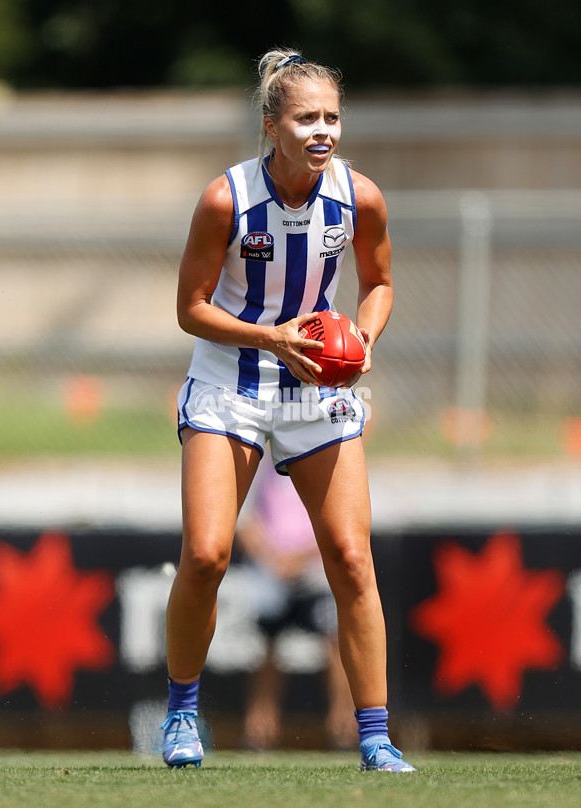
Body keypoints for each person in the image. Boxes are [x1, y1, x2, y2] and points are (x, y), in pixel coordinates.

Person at [161, 47, 415, 773]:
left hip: (317, 390)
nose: (323, 129)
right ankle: (182, 715)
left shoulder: (359, 195)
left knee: (351, 561)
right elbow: (190, 310)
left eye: (332, 116)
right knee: (208, 555)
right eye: (307, 117)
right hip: (230, 381)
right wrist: (271, 336)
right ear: (272, 125)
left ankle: (374, 736)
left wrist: (362, 339)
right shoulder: (225, 199)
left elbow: (381, 283)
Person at [237, 456, 357, 751]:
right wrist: (273, 560)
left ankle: (343, 726)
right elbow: (246, 524)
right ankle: (260, 727)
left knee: (335, 643)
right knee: (266, 648)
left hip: (314, 572)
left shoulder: (322, 466)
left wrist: (298, 559)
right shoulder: (262, 473)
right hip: (272, 571)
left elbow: (337, 525)